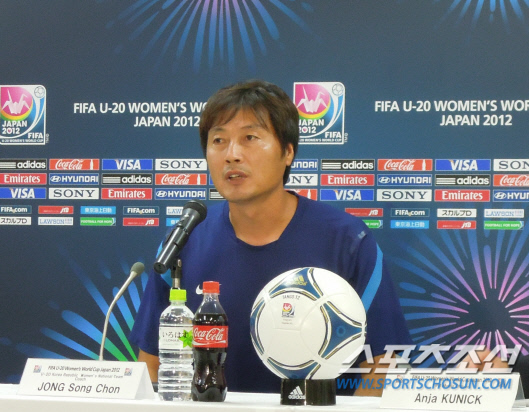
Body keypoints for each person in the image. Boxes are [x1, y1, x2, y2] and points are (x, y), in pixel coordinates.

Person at [129, 79, 412, 395]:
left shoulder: (347, 241)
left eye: (249, 138)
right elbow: (154, 363)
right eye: (219, 140)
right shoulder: (184, 242)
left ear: (288, 152)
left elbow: (384, 364)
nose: (232, 155)